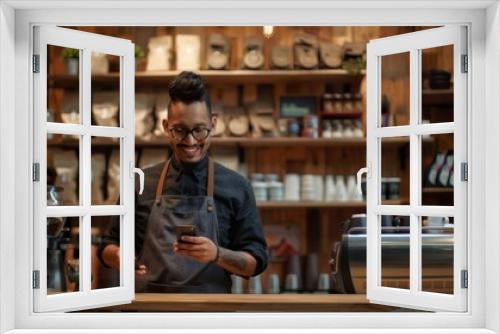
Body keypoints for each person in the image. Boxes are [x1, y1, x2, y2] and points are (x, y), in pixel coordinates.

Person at [98, 71, 268, 293]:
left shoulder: (237, 187)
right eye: (180, 130)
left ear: (213, 125)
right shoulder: (139, 183)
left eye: (199, 130)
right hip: (149, 315)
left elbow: (256, 262)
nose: (190, 141)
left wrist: (217, 254)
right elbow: (106, 247)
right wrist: (119, 256)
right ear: (166, 126)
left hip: (211, 316)